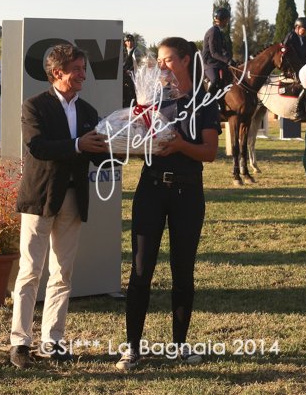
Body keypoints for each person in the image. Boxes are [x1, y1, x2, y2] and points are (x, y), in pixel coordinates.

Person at [115, 37, 220, 371]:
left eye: (167, 59)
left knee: (183, 271)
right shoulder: (151, 100)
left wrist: (180, 146)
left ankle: (179, 346)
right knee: (140, 270)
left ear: (186, 60)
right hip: (151, 188)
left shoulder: (204, 101)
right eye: (158, 60)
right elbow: (137, 144)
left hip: (188, 192)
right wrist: (131, 133)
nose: (160, 66)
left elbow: (209, 152)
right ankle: (132, 348)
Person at [9, 44, 110, 368]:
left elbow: (98, 155)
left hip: (73, 200)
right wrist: (78, 144)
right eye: (77, 69)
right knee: (29, 272)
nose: (83, 75)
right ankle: (20, 342)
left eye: (83, 69)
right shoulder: (34, 106)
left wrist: (122, 143)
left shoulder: (89, 111)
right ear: (57, 73)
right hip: (40, 198)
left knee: (63, 273)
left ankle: (52, 341)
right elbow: (37, 147)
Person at [202, 7, 235, 96]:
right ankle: (207, 101)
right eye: (227, 20)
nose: (227, 22)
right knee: (215, 80)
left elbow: (224, 49)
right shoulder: (213, 32)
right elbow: (214, 53)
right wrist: (227, 61)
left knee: (230, 77)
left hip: (217, 63)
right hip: (209, 63)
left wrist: (231, 60)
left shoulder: (220, 32)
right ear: (222, 19)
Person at [283, 17, 306, 121]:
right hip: (290, 66)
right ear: (297, 27)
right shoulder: (291, 36)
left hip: (300, 66)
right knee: (303, 83)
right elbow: (284, 51)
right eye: (304, 29)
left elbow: (303, 56)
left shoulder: (304, 38)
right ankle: (298, 109)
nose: (305, 32)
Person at [123, 34, 138, 107]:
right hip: (123, 75)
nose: (130, 42)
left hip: (133, 75)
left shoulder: (136, 51)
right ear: (125, 42)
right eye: (128, 41)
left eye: (131, 41)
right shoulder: (122, 51)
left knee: (133, 92)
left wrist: (130, 70)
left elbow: (138, 63)